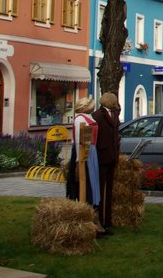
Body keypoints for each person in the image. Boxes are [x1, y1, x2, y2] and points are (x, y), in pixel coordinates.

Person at [65, 96, 101, 211]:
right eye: (90, 104)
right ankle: (85, 202)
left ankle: (92, 203)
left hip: (91, 150)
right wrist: (78, 160)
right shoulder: (80, 119)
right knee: (85, 177)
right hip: (84, 150)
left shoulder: (88, 117)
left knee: (92, 176)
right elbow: (78, 139)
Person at [93, 92, 121, 231]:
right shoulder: (98, 115)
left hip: (112, 155)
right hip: (101, 155)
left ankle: (108, 220)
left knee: (109, 189)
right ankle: (100, 220)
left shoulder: (114, 114)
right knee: (101, 189)